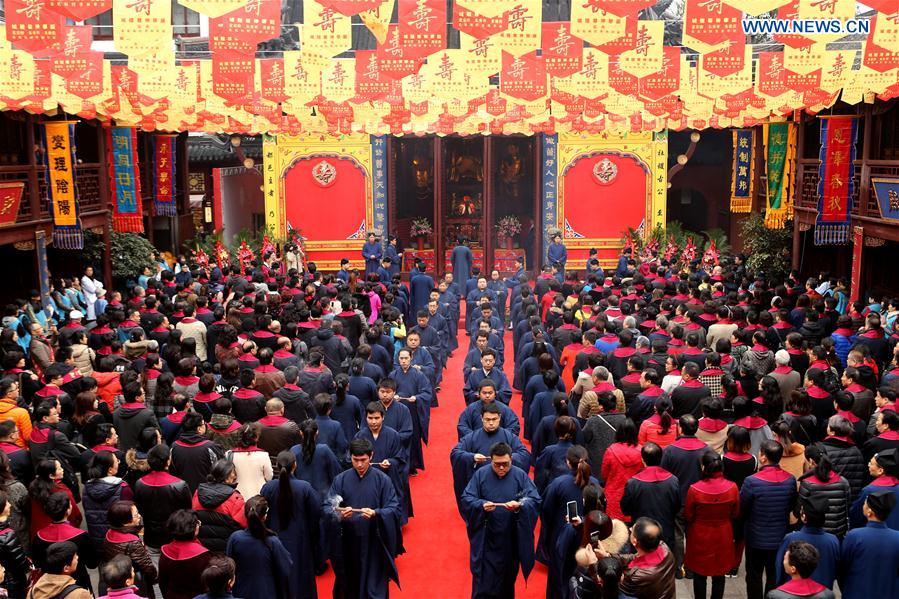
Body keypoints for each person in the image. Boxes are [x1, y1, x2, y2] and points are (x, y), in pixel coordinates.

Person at [460, 442, 541, 599]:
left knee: (507, 581)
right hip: (486, 539)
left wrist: (519, 505)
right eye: (497, 465)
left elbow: (534, 499)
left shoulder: (520, 475)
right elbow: (467, 498)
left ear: (511, 459)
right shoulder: (481, 474)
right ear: (491, 460)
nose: (502, 468)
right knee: (483, 582)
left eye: (505, 464)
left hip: (510, 540)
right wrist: (481, 504)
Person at [327, 438, 403, 599]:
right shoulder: (340, 479)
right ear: (350, 457)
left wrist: (377, 513)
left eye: (364, 460)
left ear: (371, 456)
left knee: (374, 589)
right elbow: (328, 507)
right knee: (349, 586)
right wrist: (339, 514)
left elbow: (394, 508)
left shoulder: (383, 480)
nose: (360, 465)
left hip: (374, 542)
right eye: (355, 460)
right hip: (349, 543)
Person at [741, 440, 799, 599]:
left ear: (763, 457)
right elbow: (791, 505)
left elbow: (743, 510)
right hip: (780, 536)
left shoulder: (752, 481)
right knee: (774, 574)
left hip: (755, 536)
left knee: (754, 574)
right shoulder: (790, 480)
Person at [261, 451, 322, 599]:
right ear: (295, 465)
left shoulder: (268, 488)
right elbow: (316, 512)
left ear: (276, 465)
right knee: (301, 575)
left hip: (275, 537)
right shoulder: (304, 487)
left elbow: (262, 512)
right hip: (300, 538)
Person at [450, 402, 530, 510]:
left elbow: (524, 454)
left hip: (506, 482)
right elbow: (456, 452)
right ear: (481, 418)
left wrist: (507, 458)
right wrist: (472, 457)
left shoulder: (509, 436)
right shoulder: (472, 437)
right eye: (487, 420)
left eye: (494, 419)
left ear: (500, 418)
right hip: (482, 483)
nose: (491, 423)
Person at [685, 451, 740, 599]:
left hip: (700, 534)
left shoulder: (695, 489)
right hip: (723, 533)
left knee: (699, 574)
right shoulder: (732, 487)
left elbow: (688, 515)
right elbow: (735, 513)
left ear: (704, 467)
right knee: (719, 575)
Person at [226, 495, 294, 599]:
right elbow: (286, 568)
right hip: (266, 591)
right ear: (265, 516)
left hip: (241, 590)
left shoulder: (235, 538)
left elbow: (229, 566)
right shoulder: (272, 542)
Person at [355, 401, 412, 524]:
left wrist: (390, 461)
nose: (373, 422)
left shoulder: (393, 435)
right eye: (370, 418)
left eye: (377, 418)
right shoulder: (360, 435)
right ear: (366, 418)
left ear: (383, 417)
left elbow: (400, 457)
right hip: (366, 477)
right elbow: (352, 457)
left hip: (388, 476)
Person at [595, 516, 676, 599]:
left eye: (632, 530)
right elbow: (634, 557)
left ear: (634, 541)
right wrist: (608, 555)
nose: (630, 529)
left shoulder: (636, 576)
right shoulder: (664, 548)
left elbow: (613, 586)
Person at [621, 442, 681, 554]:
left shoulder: (633, 483)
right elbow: (677, 507)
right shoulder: (673, 481)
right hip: (665, 532)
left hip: (641, 534)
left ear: (643, 459)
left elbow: (625, 509)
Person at [838, 491, 899, 598]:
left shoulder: (854, 536)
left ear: (870, 511)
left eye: (865, 503)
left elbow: (842, 570)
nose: (863, 506)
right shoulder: (897, 538)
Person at [774, 494, 839, 590]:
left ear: (804, 517)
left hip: (792, 592)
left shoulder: (790, 538)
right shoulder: (833, 541)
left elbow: (779, 569)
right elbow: (836, 571)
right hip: (822, 592)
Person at [102, 500, 158, 599]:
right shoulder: (133, 542)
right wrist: (155, 578)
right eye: (136, 515)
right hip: (133, 581)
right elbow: (147, 566)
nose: (139, 516)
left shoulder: (109, 534)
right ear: (125, 522)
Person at [192, 459, 247, 553]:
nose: (235, 476)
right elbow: (244, 524)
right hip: (225, 550)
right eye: (233, 473)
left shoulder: (198, 493)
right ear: (227, 477)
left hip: (201, 548)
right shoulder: (235, 498)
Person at [158, 510, 213, 599]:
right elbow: (206, 584)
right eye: (197, 523)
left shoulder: (165, 551)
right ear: (193, 529)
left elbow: (163, 582)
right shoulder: (203, 555)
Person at [767, 541, 836, 599]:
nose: (783, 561)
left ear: (793, 569)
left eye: (785, 558)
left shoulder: (775, 596)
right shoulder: (828, 594)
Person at [26, 541, 93, 599]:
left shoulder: (33, 591)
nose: (77, 558)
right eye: (74, 557)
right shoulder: (80, 594)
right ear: (66, 568)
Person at [225, 423, 272, 499]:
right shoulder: (263, 455)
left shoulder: (229, 454)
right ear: (256, 437)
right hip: (258, 497)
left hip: (236, 496)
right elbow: (269, 477)